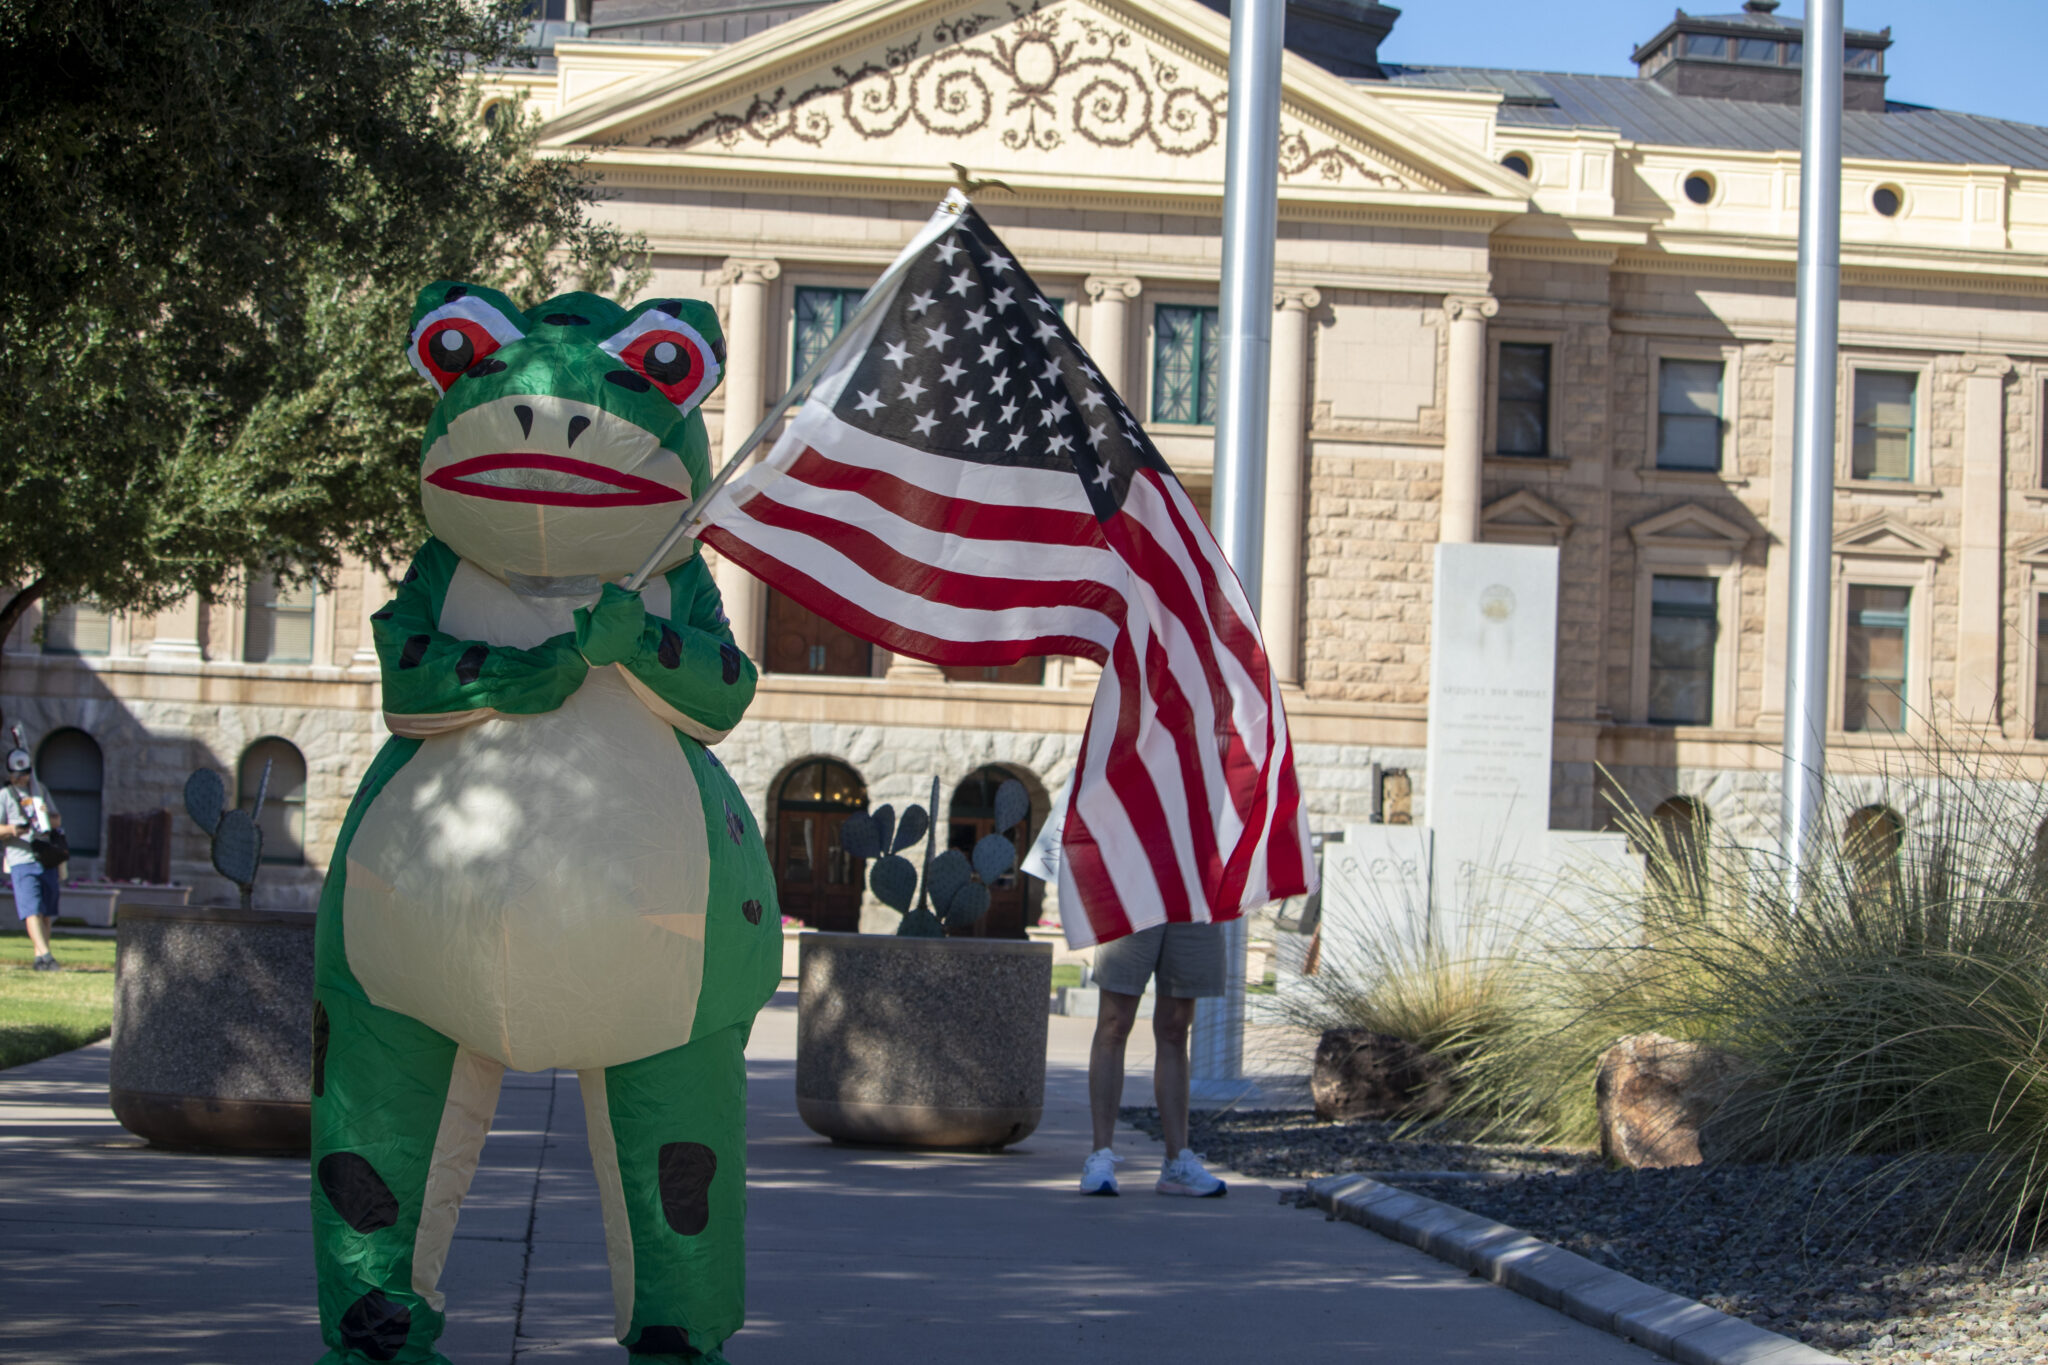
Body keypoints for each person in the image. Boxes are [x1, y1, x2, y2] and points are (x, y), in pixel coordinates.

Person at [1080, 921, 1228, 1198]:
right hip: (1138, 891)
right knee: (1115, 1022)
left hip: (1191, 896)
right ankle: (1100, 1157)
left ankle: (1177, 1163)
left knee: (1176, 1028)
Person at [1, 746, 62, 971]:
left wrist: (45, 814)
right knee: (31, 909)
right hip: (20, 858)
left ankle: (39, 957)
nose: (21, 778)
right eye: (16, 774)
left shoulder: (40, 790)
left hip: (45, 856)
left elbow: (57, 821)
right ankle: (46, 956)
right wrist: (12, 829)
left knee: (46, 912)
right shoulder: (4, 796)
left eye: (25, 773)